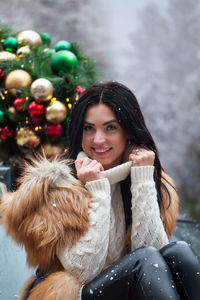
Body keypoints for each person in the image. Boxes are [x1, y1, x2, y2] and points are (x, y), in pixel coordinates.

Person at [58, 81, 200, 300]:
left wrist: (142, 180)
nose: (98, 140)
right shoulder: (59, 185)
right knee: (143, 259)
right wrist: (97, 190)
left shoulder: (145, 179)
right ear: (79, 132)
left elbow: (156, 254)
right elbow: (82, 272)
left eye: (110, 127)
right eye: (88, 128)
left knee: (177, 252)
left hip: (134, 288)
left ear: (128, 131)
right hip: (77, 295)